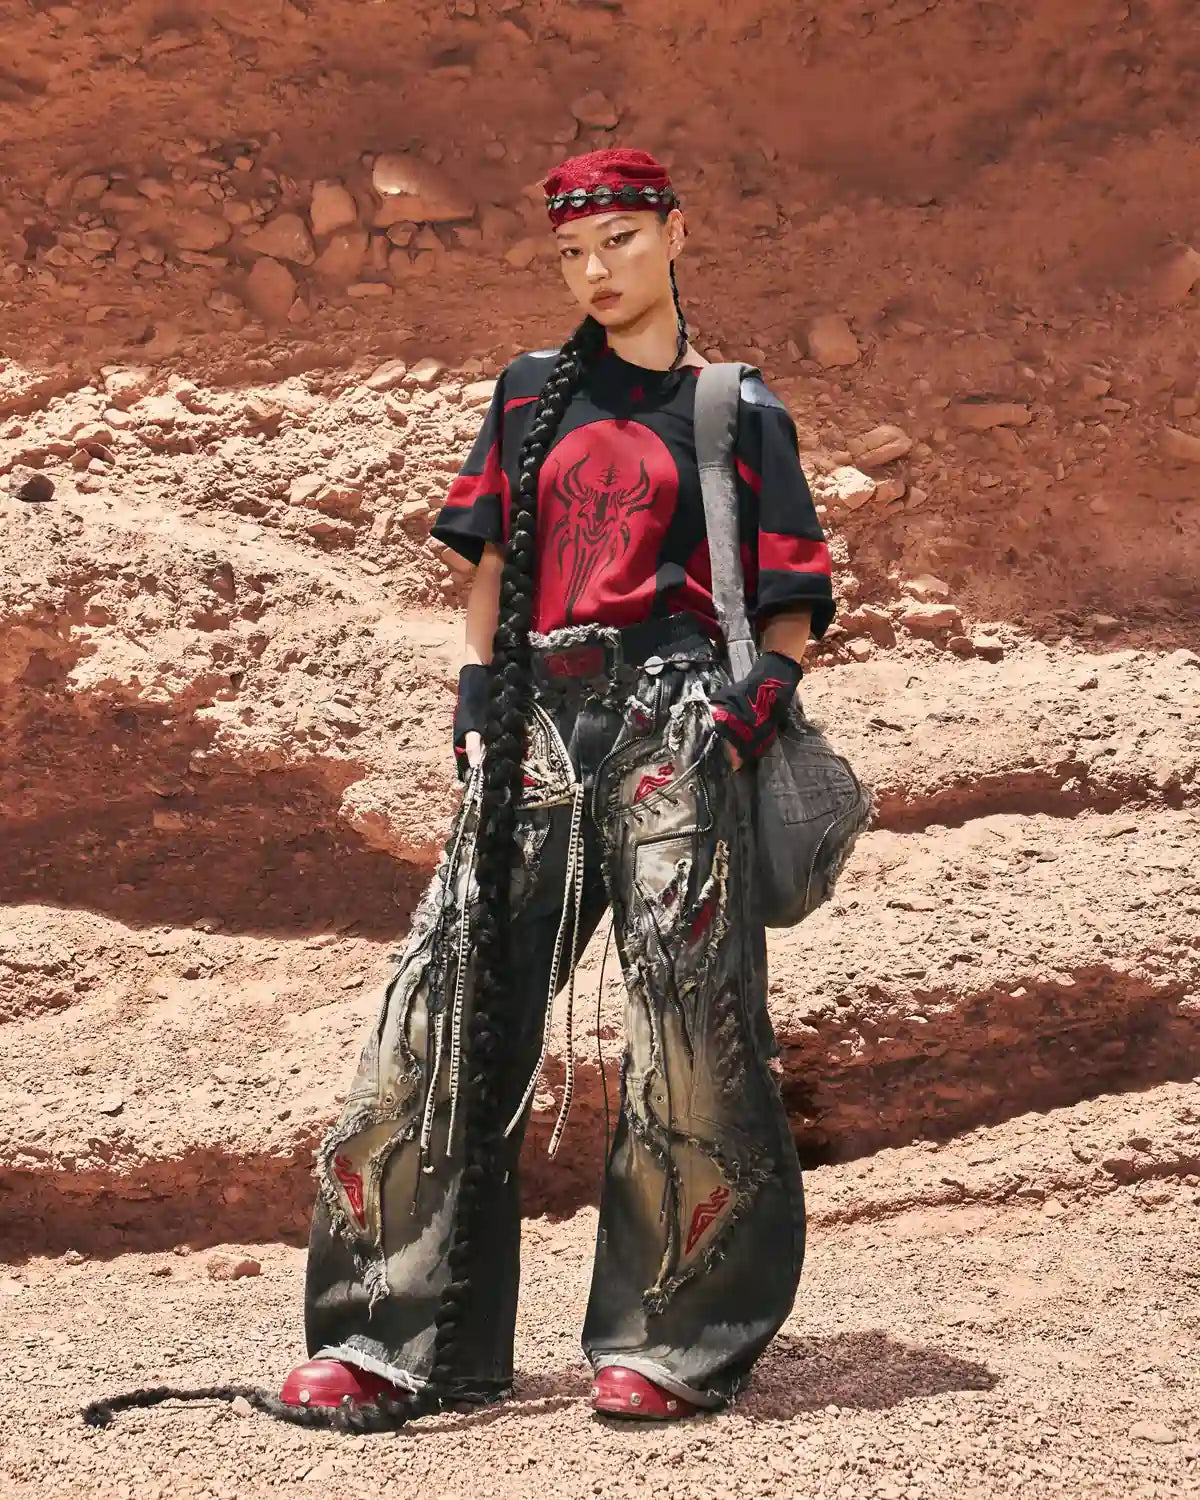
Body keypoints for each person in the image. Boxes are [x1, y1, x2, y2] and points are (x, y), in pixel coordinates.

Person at [282, 147, 836, 1423]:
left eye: (620, 242)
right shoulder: (530, 390)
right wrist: (476, 701)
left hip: (676, 724)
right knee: (443, 1007)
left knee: (688, 1030)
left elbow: (795, 600)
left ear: (675, 236)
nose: (595, 271)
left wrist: (746, 710)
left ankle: (673, 1341)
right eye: (573, 254)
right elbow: (488, 569)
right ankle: (391, 1339)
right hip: (533, 720)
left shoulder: (734, 406)